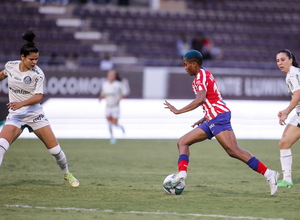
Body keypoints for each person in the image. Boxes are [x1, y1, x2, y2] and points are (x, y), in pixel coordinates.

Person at [163, 50, 279, 195]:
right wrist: (204, 117)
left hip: (218, 116)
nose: (184, 67)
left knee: (233, 151)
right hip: (212, 117)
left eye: (186, 64)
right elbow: (213, 99)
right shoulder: (203, 74)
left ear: (194, 64)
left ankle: (269, 174)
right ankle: (182, 175)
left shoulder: (200, 77)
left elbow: (201, 99)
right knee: (183, 142)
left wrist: (178, 111)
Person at [0, 30, 79, 188]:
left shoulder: (38, 74)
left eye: (36, 59)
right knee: (1, 146)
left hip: (35, 115)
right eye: (31, 59)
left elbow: (38, 97)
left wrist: (20, 103)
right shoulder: (11, 66)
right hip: (16, 116)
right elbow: (1, 75)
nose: (34, 62)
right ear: (22, 57)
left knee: (55, 151)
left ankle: (67, 174)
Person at [276, 49, 300, 188]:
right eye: (278, 61)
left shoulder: (293, 74)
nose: (280, 63)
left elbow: (298, 95)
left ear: (290, 60)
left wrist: (286, 112)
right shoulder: (292, 74)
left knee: (284, 142)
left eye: (283, 60)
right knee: (284, 142)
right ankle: (287, 179)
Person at [99, 70, 129, 145]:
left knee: (114, 123)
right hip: (108, 106)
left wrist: (119, 100)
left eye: (112, 75)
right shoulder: (105, 84)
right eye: (109, 75)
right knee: (109, 123)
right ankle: (112, 137)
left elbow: (124, 93)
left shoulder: (118, 84)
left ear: (115, 76)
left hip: (115, 106)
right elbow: (103, 94)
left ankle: (121, 127)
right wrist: (101, 98)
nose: (110, 76)